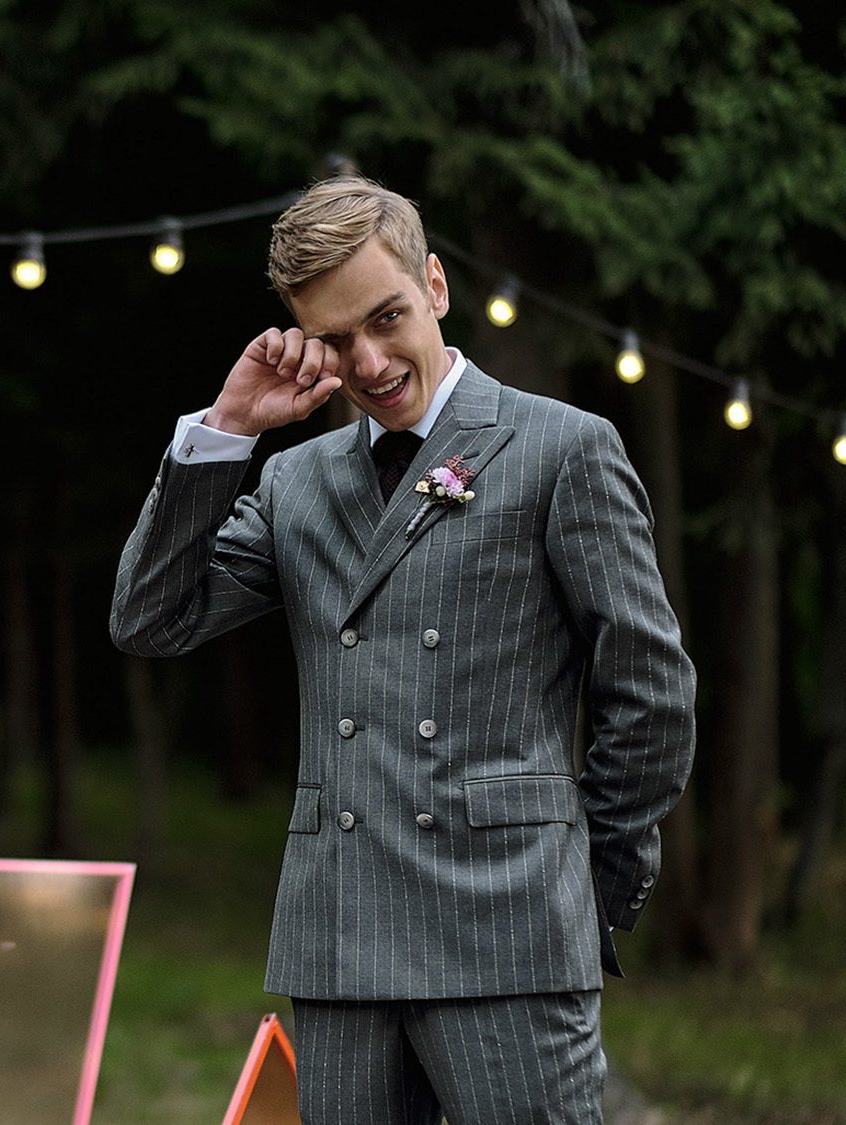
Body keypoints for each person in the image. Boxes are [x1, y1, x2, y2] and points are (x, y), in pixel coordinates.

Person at [110, 176, 695, 1123]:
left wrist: (584, 887)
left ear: (435, 284)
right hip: (340, 946)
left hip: (510, 937)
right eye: (337, 340)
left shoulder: (562, 449)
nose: (372, 361)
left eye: (387, 317)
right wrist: (225, 434)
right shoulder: (295, 481)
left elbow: (652, 694)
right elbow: (150, 619)